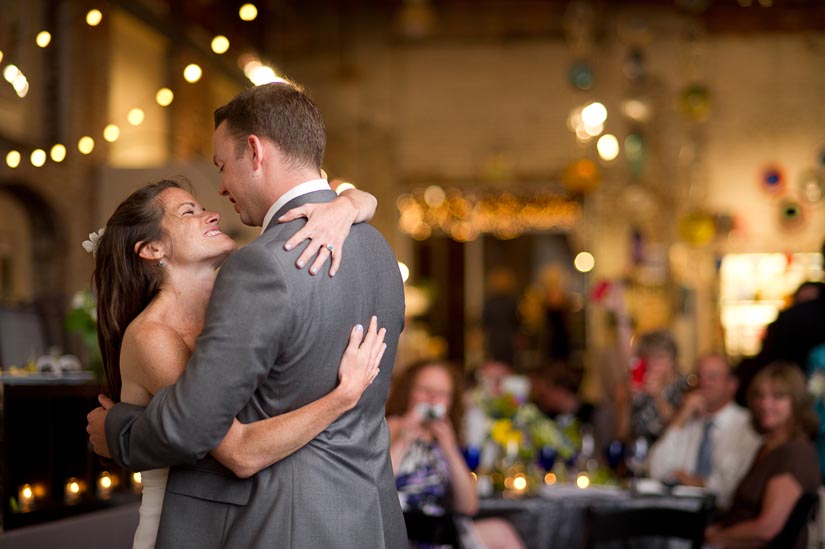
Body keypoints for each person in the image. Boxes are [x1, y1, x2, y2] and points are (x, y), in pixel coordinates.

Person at [86, 81, 407, 548]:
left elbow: (194, 426)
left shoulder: (263, 264)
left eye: (223, 165)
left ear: (254, 152)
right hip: (370, 514)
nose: (221, 189)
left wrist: (118, 429)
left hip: (292, 522)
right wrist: (354, 200)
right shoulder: (378, 249)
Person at [387, 360, 525, 549]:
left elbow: (468, 506)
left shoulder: (445, 437)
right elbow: (376, 487)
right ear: (408, 392)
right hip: (401, 530)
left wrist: (450, 449)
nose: (433, 398)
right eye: (424, 390)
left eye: (442, 394)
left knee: (501, 531)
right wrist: (404, 440)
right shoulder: (393, 426)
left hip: (440, 531)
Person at [705, 362, 821, 549]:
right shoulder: (768, 446)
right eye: (760, 395)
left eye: (778, 396)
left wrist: (714, 537)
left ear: (797, 402)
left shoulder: (795, 453)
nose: (765, 404)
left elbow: (767, 529)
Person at [647, 353, 761, 510]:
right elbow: (655, 470)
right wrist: (681, 416)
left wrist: (701, 484)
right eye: (699, 377)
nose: (704, 383)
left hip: (725, 518)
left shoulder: (748, 426)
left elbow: (741, 488)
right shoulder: (689, 423)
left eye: (713, 377)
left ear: (732, 385)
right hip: (679, 513)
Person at [626, 330, 690, 444]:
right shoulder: (643, 382)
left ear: (673, 359)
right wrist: (624, 399)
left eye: (660, 357)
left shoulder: (686, 384)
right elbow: (625, 431)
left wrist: (658, 396)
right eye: (648, 358)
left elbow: (678, 428)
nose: (652, 363)